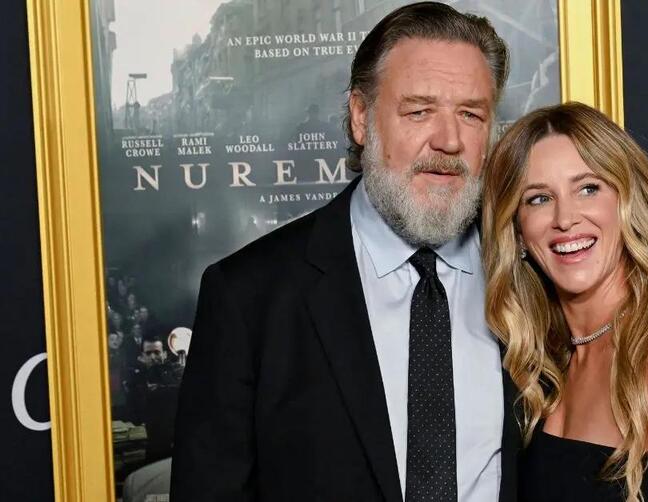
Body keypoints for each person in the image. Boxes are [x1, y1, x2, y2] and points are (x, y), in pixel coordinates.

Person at [171, 3, 516, 501]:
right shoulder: (249, 296)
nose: (448, 140)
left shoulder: (531, 279)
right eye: (419, 111)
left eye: (470, 114)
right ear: (360, 117)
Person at [482, 103, 648, 502]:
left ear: (626, 205)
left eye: (588, 189)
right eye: (538, 199)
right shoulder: (543, 366)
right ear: (518, 231)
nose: (565, 218)